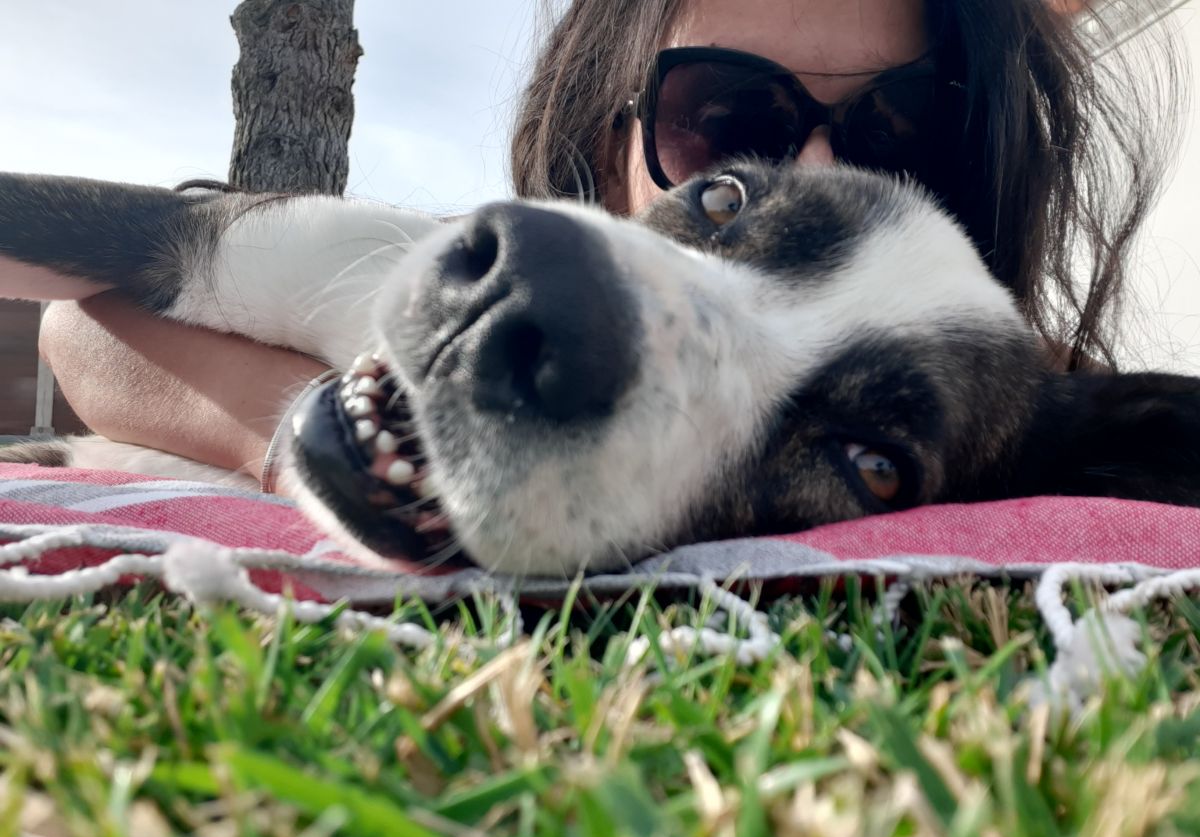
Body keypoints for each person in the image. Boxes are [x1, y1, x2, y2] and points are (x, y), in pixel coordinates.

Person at [39, 0, 1183, 490]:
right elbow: (87, 327)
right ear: (612, 142)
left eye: (906, 135)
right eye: (728, 126)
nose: (818, 183)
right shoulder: (477, 271)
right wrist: (332, 443)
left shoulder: (1021, 407)